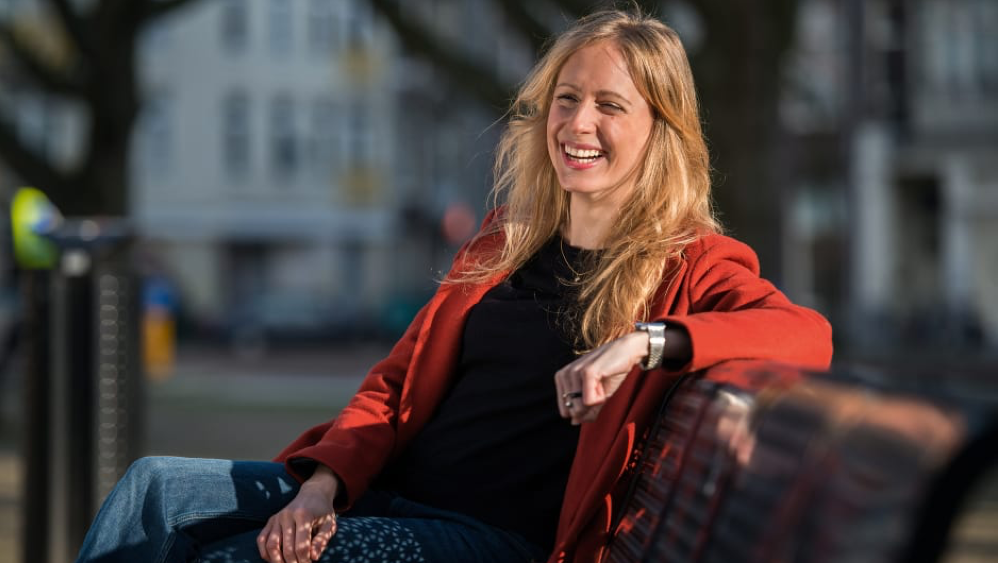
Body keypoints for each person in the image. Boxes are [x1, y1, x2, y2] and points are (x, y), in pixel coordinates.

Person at [75, 9, 832, 563]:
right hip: (388, 494)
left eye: (610, 105)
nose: (578, 123)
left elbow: (807, 336)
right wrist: (322, 485)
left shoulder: (690, 263)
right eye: (567, 97)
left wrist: (642, 343)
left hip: (490, 539)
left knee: (232, 560)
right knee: (153, 489)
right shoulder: (504, 239)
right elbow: (395, 382)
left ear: (661, 129)